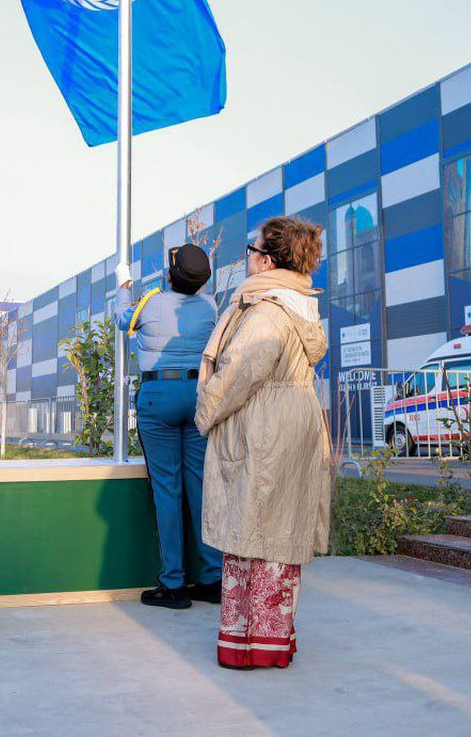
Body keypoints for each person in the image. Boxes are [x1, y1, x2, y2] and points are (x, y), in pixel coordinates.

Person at [196, 216, 332, 671]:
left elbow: (237, 373)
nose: (247, 257)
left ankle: (248, 645)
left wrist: (205, 412)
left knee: (252, 527)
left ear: (268, 259)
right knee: (278, 529)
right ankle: (271, 641)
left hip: (266, 425)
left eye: (251, 250)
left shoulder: (268, 311)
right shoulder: (298, 304)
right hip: (293, 419)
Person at [115, 243, 223, 610]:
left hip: (158, 397)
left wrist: (124, 285)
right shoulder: (210, 308)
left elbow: (120, 319)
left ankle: (174, 585)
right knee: (200, 487)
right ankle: (211, 578)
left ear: (170, 275)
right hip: (198, 396)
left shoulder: (151, 303)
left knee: (166, 489)